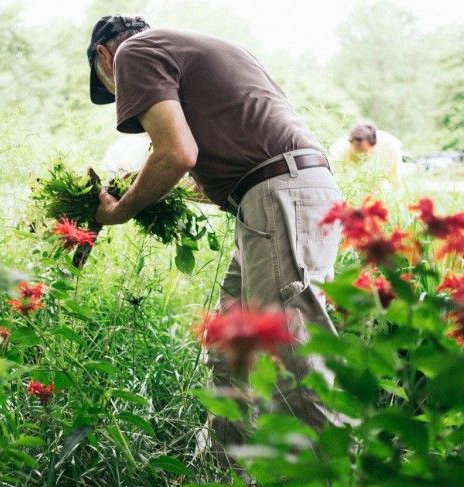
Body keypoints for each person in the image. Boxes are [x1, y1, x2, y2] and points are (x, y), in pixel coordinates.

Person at [86, 15, 348, 459]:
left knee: (289, 352)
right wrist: (145, 183)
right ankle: (226, 482)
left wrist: (121, 209)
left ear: (103, 56)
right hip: (278, 194)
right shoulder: (193, 49)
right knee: (231, 346)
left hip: (279, 195)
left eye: (111, 89)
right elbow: (206, 162)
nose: (122, 96)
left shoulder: (134, 52)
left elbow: (177, 152)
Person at [330, 121, 403, 184]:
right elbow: (333, 179)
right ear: (350, 142)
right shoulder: (338, 149)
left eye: (362, 151)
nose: (358, 154)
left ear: (373, 146)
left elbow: (395, 180)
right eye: (356, 148)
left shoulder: (391, 147)